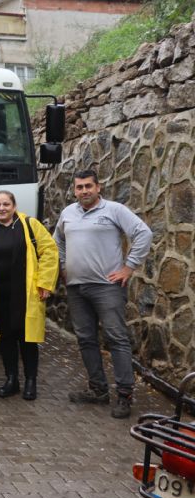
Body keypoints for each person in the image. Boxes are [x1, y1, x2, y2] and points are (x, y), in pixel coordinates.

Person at [54, 169, 152, 418]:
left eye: (88, 186)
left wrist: (128, 267)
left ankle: (124, 395)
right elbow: (58, 242)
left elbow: (143, 233)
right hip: (76, 288)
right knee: (86, 339)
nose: (84, 191)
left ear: (98, 187)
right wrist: (64, 268)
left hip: (107, 287)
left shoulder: (114, 210)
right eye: (79, 187)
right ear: (74, 190)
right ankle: (98, 390)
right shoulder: (68, 213)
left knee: (116, 338)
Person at [0, 190, 59, 400]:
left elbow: (49, 251)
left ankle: (31, 381)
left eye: (6, 204)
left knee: (27, 338)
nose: (2, 208)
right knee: (6, 338)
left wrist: (45, 282)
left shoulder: (29, 225)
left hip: (25, 293)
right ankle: (11, 379)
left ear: (14, 205)